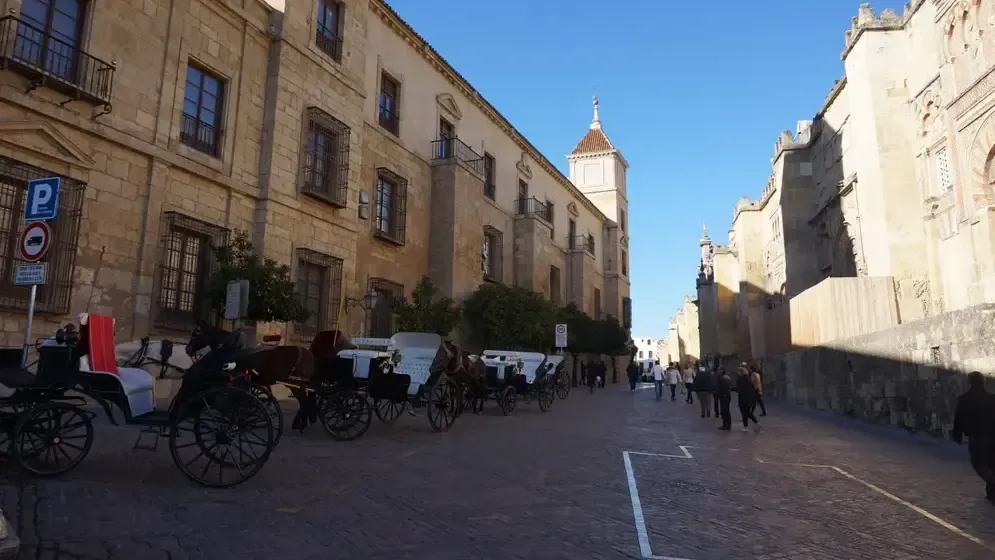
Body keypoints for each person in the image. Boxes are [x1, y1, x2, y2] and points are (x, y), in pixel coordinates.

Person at [952, 371, 995, 504]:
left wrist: (957, 434)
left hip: (977, 437)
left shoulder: (964, 399)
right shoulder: (991, 398)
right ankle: (991, 493)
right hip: (992, 436)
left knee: (979, 465)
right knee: (991, 464)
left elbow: (958, 419)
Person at [734, 364, 761, 432]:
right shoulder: (749, 379)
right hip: (750, 398)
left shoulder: (740, 380)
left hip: (743, 399)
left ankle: (747, 426)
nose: (738, 373)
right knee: (747, 412)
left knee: (744, 413)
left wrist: (732, 388)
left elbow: (739, 389)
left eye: (739, 371)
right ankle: (754, 423)